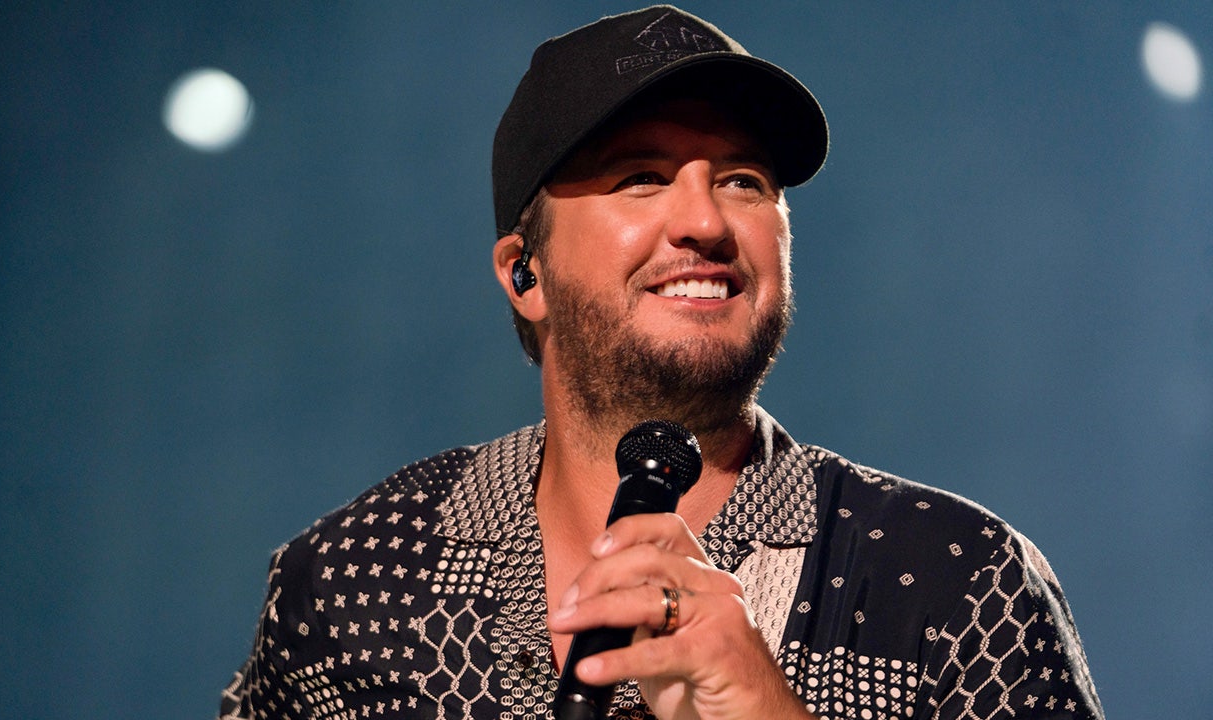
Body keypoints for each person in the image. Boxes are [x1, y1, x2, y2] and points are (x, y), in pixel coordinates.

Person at [219, 6, 1104, 719]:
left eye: (744, 181)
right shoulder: (354, 580)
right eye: (640, 176)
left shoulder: (958, 581)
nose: (707, 223)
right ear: (525, 273)